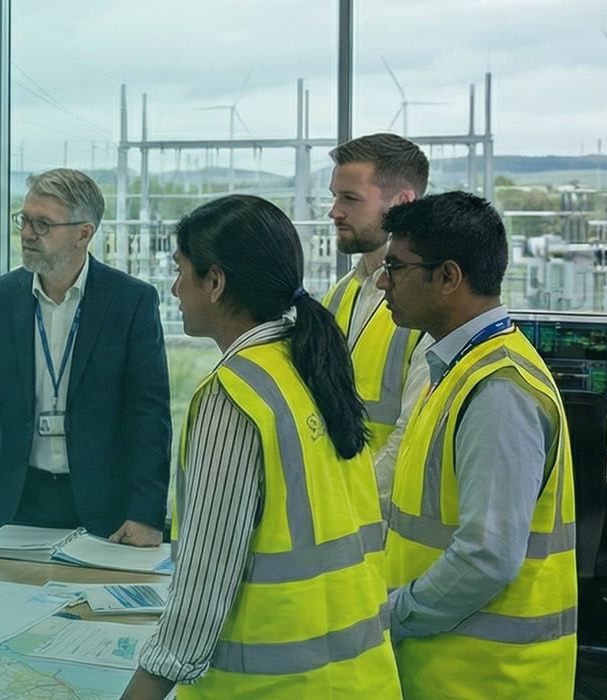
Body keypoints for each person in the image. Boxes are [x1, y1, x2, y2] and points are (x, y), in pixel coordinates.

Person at [123, 194, 400, 700]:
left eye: (181, 270)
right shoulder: (310, 366)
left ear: (215, 282)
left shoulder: (236, 395)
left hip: (270, 687)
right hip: (358, 679)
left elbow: (203, 588)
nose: (174, 287)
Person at [378, 192, 576, 699]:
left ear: (448, 277)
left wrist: (389, 616)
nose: (383, 283)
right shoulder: (456, 370)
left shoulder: (497, 390)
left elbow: (486, 557)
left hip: (485, 679)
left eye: (395, 268)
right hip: (443, 667)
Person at [0, 168, 171, 544]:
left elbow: (149, 415)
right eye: (24, 220)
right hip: (19, 499)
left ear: (83, 234)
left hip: (104, 507)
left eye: (42, 225)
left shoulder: (130, 301)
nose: (26, 234)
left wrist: (146, 513)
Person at [323, 133, 433, 506]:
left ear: (403, 204)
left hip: (386, 518)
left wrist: (343, 499)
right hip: (344, 517)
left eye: (350, 198)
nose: (334, 211)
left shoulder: (431, 307)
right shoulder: (339, 294)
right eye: (335, 195)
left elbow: (413, 439)